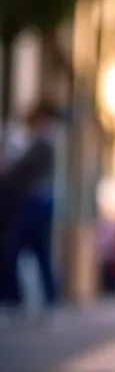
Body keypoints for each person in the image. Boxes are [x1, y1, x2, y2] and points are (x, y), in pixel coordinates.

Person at [0, 101, 62, 314]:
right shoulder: (39, 142)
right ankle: (47, 302)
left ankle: (15, 299)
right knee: (38, 251)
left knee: (15, 247)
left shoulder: (41, 143)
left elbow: (21, 171)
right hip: (37, 201)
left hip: (35, 201)